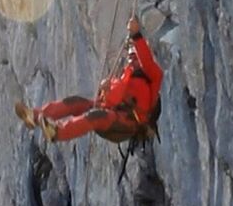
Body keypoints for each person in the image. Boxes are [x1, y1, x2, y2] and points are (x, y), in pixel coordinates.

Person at [15, 16, 163, 142]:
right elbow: (110, 100)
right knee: (76, 102)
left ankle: (58, 132)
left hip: (125, 124)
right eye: (130, 55)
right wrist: (104, 91)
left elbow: (146, 61)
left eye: (133, 55)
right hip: (114, 116)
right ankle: (34, 115)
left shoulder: (152, 75)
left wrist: (136, 36)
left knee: (96, 116)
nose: (130, 58)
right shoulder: (126, 76)